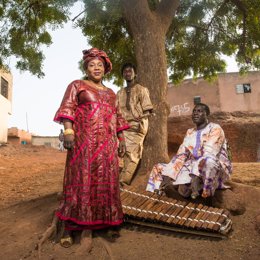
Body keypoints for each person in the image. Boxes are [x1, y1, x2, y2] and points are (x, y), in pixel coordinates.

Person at [53, 47, 129, 249]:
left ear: (105, 69)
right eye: (91, 65)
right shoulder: (76, 85)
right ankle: (71, 227)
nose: (96, 68)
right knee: (80, 181)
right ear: (86, 68)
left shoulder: (111, 93)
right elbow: (67, 108)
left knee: (106, 181)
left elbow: (118, 117)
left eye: (100, 65)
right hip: (84, 145)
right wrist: (69, 132)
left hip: (107, 146)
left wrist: (121, 139)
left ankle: (107, 222)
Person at [146, 103, 232, 199]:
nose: (195, 113)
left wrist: (195, 174)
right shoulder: (190, 132)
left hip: (213, 167)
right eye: (194, 111)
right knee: (158, 168)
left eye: (199, 111)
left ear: (207, 114)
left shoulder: (215, 128)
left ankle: (206, 192)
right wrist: (169, 174)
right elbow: (181, 155)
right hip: (192, 167)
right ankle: (154, 195)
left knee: (208, 161)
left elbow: (209, 152)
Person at [116, 63, 153, 185]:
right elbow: (115, 111)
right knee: (123, 152)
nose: (127, 73)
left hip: (137, 127)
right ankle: (119, 181)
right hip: (122, 127)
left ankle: (123, 182)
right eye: (125, 71)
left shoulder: (141, 89)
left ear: (135, 73)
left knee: (132, 155)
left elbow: (148, 110)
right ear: (123, 75)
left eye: (130, 71)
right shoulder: (119, 93)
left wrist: (141, 117)